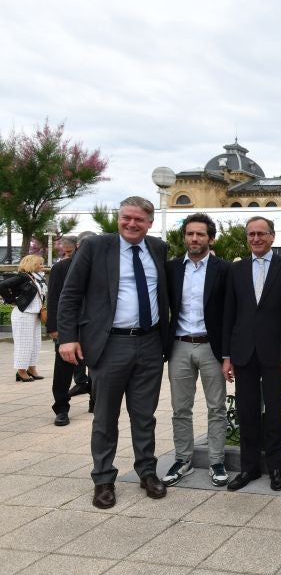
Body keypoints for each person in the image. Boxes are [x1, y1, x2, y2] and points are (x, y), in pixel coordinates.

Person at [57, 196, 169, 509]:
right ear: (118, 218)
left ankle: (147, 471)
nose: (132, 224)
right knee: (105, 416)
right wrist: (67, 337)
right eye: (126, 218)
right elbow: (70, 294)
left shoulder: (158, 249)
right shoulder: (96, 247)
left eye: (139, 219)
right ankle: (103, 479)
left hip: (149, 344)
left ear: (149, 222)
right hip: (110, 345)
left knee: (144, 416)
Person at [222, 216, 281, 492]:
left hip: (275, 353)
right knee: (246, 412)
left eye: (261, 234)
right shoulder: (236, 270)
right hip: (243, 354)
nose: (256, 239)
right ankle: (248, 468)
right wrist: (227, 356)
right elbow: (229, 314)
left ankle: (276, 468)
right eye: (251, 234)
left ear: (272, 236)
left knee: (275, 412)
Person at [162, 214, 231, 487]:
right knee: (180, 407)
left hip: (211, 347)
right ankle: (183, 459)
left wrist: (227, 354)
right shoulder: (171, 269)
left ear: (210, 238)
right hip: (179, 345)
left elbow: (229, 314)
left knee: (216, 408)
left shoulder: (223, 269)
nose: (194, 239)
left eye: (200, 234)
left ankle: (216, 461)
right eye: (190, 234)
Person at [45, 236, 80, 424]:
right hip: (66, 327)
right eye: (64, 252)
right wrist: (53, 327)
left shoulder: (100, 267)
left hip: (93, 326)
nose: (66, 256)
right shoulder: (60, 268)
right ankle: (61, 408)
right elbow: (53, 298)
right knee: (63, 369)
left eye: (69, 252)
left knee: (98, 368)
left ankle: (95, 400)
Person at [0, 254, 47, 383]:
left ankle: (31, 368)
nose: (42, 266)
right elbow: (2, 286)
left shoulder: (37, 278)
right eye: (40, 263)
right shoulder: (22, 277)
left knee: (35, 344)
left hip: (35, 314)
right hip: (23, 314)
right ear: (32, 264)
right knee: (24, 344)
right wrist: (12, 300)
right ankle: (21, 371)